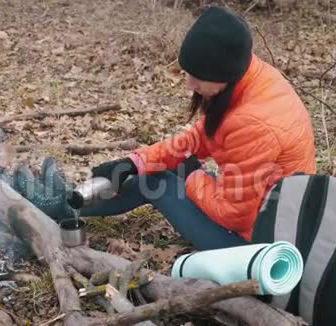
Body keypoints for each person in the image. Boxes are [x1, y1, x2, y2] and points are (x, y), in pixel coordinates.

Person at [75, 6, 316, 250]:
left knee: (158, 182)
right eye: (189, 73)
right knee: (149, 171)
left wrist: (191, 175)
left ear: (223, 75)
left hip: (257, 244)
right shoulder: (251, 78)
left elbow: (234, 214)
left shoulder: (253, 123)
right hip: (261, 216)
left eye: (198, 77)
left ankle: (65, 204)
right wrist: (132, 163)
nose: (190, 84)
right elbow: (197, 139)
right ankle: (70, 199)